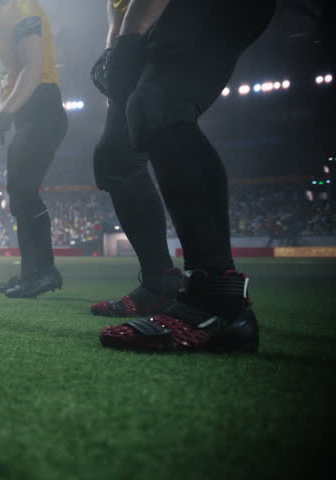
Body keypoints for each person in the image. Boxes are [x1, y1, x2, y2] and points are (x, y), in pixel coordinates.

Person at [91, 0, 275, 352]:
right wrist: (117, 51)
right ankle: (157, 286)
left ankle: (217, 300)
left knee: (158, 105)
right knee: (115, 157)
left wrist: (131, 38)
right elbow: (117, 7)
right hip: (147, 19)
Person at [0, 0, 68, 298]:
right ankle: (30, 272)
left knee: (23, 191)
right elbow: (9, 86)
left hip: (43, 109)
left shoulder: (20, 6)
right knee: (19, 193)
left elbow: (34, 67)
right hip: (26, 116)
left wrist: (5, 115)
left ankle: (44, 272)